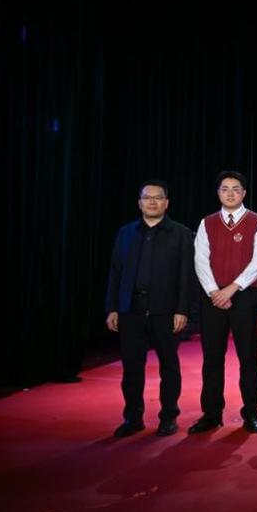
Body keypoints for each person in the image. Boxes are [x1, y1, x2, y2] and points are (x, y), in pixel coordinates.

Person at [105, 180, 194, 437]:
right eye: (147, 197)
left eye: (157, 197)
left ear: (166, 203)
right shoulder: (126, 233)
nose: (152, 202)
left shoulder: (180, 233)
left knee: (169, 366)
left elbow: (186, 275)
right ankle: (133, 418)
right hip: (131, 309)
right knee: (132, 368)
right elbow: (115, 272)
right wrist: (113, 308)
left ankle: (168, 417)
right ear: (139, 202)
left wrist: (182, 310)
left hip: (166, 310)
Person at [189, 170, 257, 435]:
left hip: (243, 296)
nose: (231, 193)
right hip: (213, 297)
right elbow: (200, 259)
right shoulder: (207, 223)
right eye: (225, 189)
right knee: (212, 358)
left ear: (244, 193)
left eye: (236, 189)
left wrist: (232, 289)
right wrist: (215, 291)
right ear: (218, 193)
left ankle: (251, 414)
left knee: (248, 356)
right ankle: (211, 414)